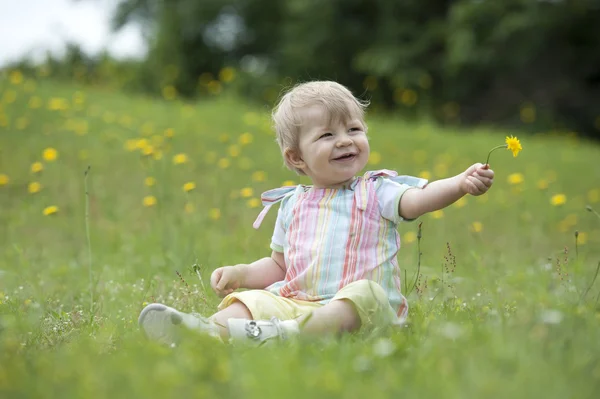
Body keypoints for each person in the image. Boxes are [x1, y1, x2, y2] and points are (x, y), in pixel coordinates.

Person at [138, 81, 495, 345]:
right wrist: (242, 273)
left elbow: (420, 199)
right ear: (297, 158)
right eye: (327, 135)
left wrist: (460, 183)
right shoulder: (292, 204)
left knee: (364, 293)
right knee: (253, 302)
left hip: (361, 314)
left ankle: (283, 337)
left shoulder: (376, 190)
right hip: (298, 304)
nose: (345, 140)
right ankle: (204, 334)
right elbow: (279, 266)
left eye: (354, 129)